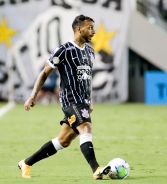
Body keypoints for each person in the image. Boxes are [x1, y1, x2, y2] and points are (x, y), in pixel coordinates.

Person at [18, 15, 111, 180]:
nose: (93, 31)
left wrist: (90, 101)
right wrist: (33, 96)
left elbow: (87, 78)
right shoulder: (63, 50)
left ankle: (26, 163)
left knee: (64, 141)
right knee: (86, 128)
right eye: (90, 27)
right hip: (70, 100)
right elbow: (44, 73)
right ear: (79, 29)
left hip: (83, 102)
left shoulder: (90, 51)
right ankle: (96, 169)